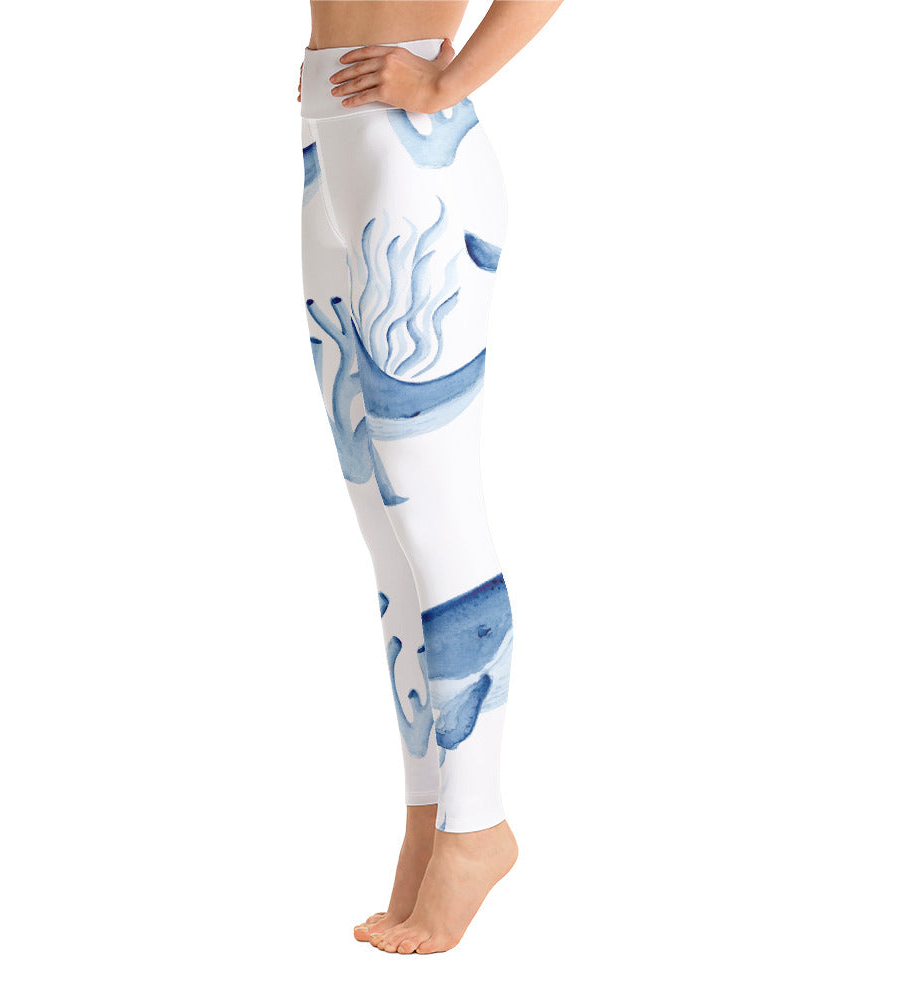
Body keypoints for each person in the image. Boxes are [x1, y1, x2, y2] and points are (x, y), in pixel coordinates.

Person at [298, 1, 563, 955]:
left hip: (418, 160)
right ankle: (429, 816)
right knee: (385, 526)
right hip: (330, 142)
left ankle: (478, 823)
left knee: (432, 512)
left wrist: (448, 79)